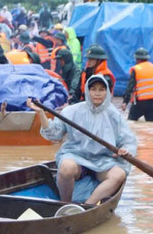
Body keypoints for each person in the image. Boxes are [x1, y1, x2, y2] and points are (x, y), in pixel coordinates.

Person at [26, 75, 137, 205]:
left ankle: (87, 206)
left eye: (101, 90)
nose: (97, 93)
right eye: (93, 89)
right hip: (77, 156)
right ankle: (65, 205)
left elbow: (128, 141)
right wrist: (41, 114)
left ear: (107, 92)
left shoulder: (114, 115)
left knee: (118, 175)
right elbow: (54, 135)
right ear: (87, 91)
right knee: (66, 167)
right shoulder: (71, 111)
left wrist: (125, 150)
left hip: (103, 160)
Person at [122, 47, 153, 121]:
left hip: (140, 103)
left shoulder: (136, 69)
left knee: (131, 122)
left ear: (137, 59)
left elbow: (130, 87)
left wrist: (125, 102)